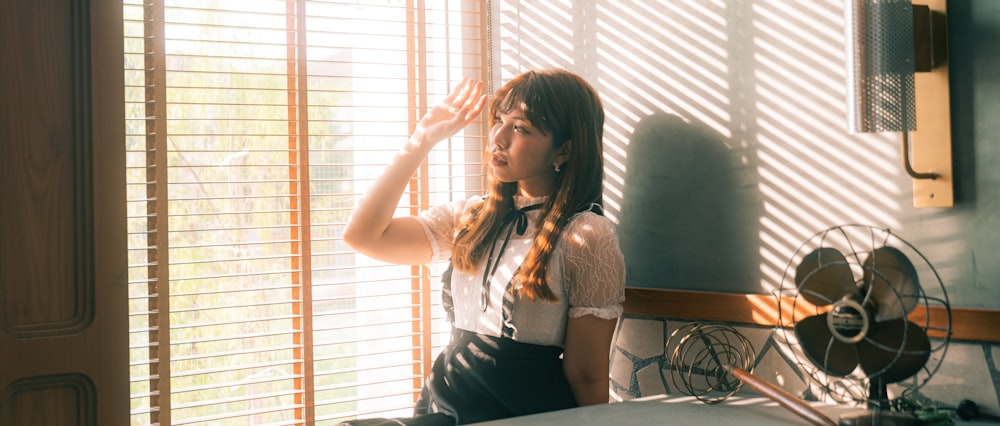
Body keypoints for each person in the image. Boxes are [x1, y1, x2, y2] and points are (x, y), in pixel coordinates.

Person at [340, 69, 626, 425]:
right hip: (446, 405)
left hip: (520, 412)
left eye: (520, 127)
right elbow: (363, 235)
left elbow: (587, 374)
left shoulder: (585, 236)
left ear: (564, 149)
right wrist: (421, 141)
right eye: (499, 121)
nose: (499, 137)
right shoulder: (472, 217)